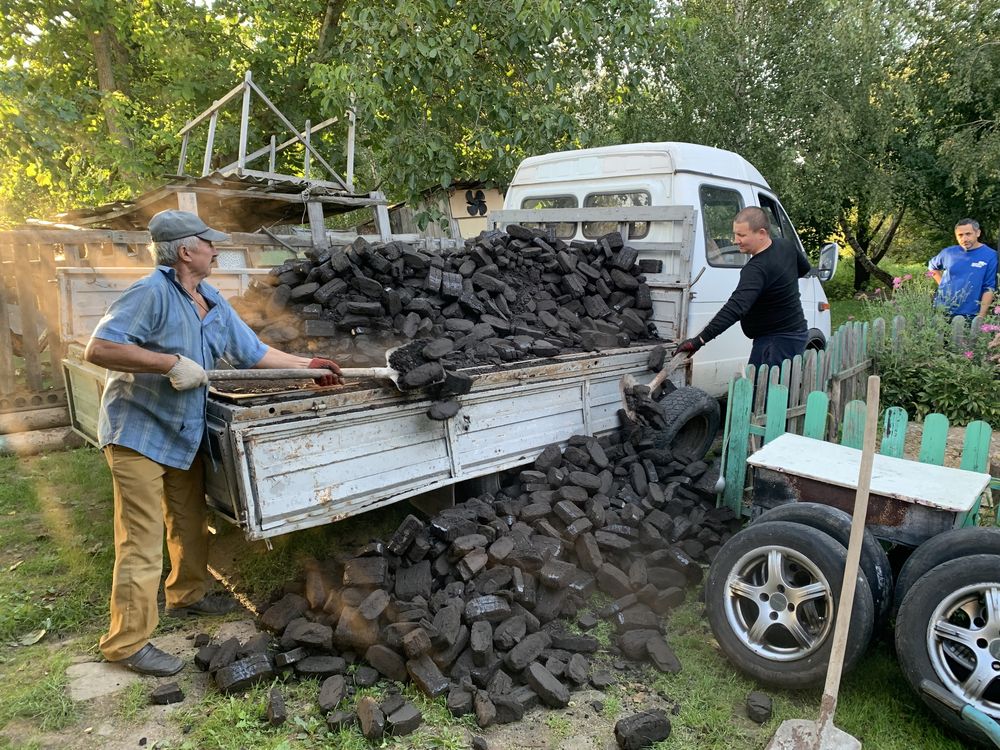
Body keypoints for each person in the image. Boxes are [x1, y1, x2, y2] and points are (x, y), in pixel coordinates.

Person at [85, 209, 342, 676]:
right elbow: (100, 348)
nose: (217, 249)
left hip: (181, 432)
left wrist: (308, 367)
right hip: (137, 430)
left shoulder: (211, 301)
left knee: (187, 521)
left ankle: (187, 596)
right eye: (209, 243)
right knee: (141, 540)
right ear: (186, 251)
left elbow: (254, 353)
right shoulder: (151, 293)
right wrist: (168, 363)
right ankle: (126, 645)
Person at [676, 206, 811, 369]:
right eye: (735, 233)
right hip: (795, 333)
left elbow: (734, 309)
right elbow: (803, 269)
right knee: (774, 389)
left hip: (776, 342)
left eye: (741, 235)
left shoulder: (756, 269)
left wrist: (699, 340)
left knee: (764, 392)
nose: (735, 240)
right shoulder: (786, 246)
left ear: (761, 233)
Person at [927, 218, 997, 320]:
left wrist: (981, 316)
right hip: (942, 310)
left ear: (978, 233)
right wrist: (943, 285)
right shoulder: (948, 253)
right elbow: (932, 267)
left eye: (968, 234)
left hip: (970, 314)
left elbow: (989, 287)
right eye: (960, 235)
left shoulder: (990, 255)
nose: (964, 239)